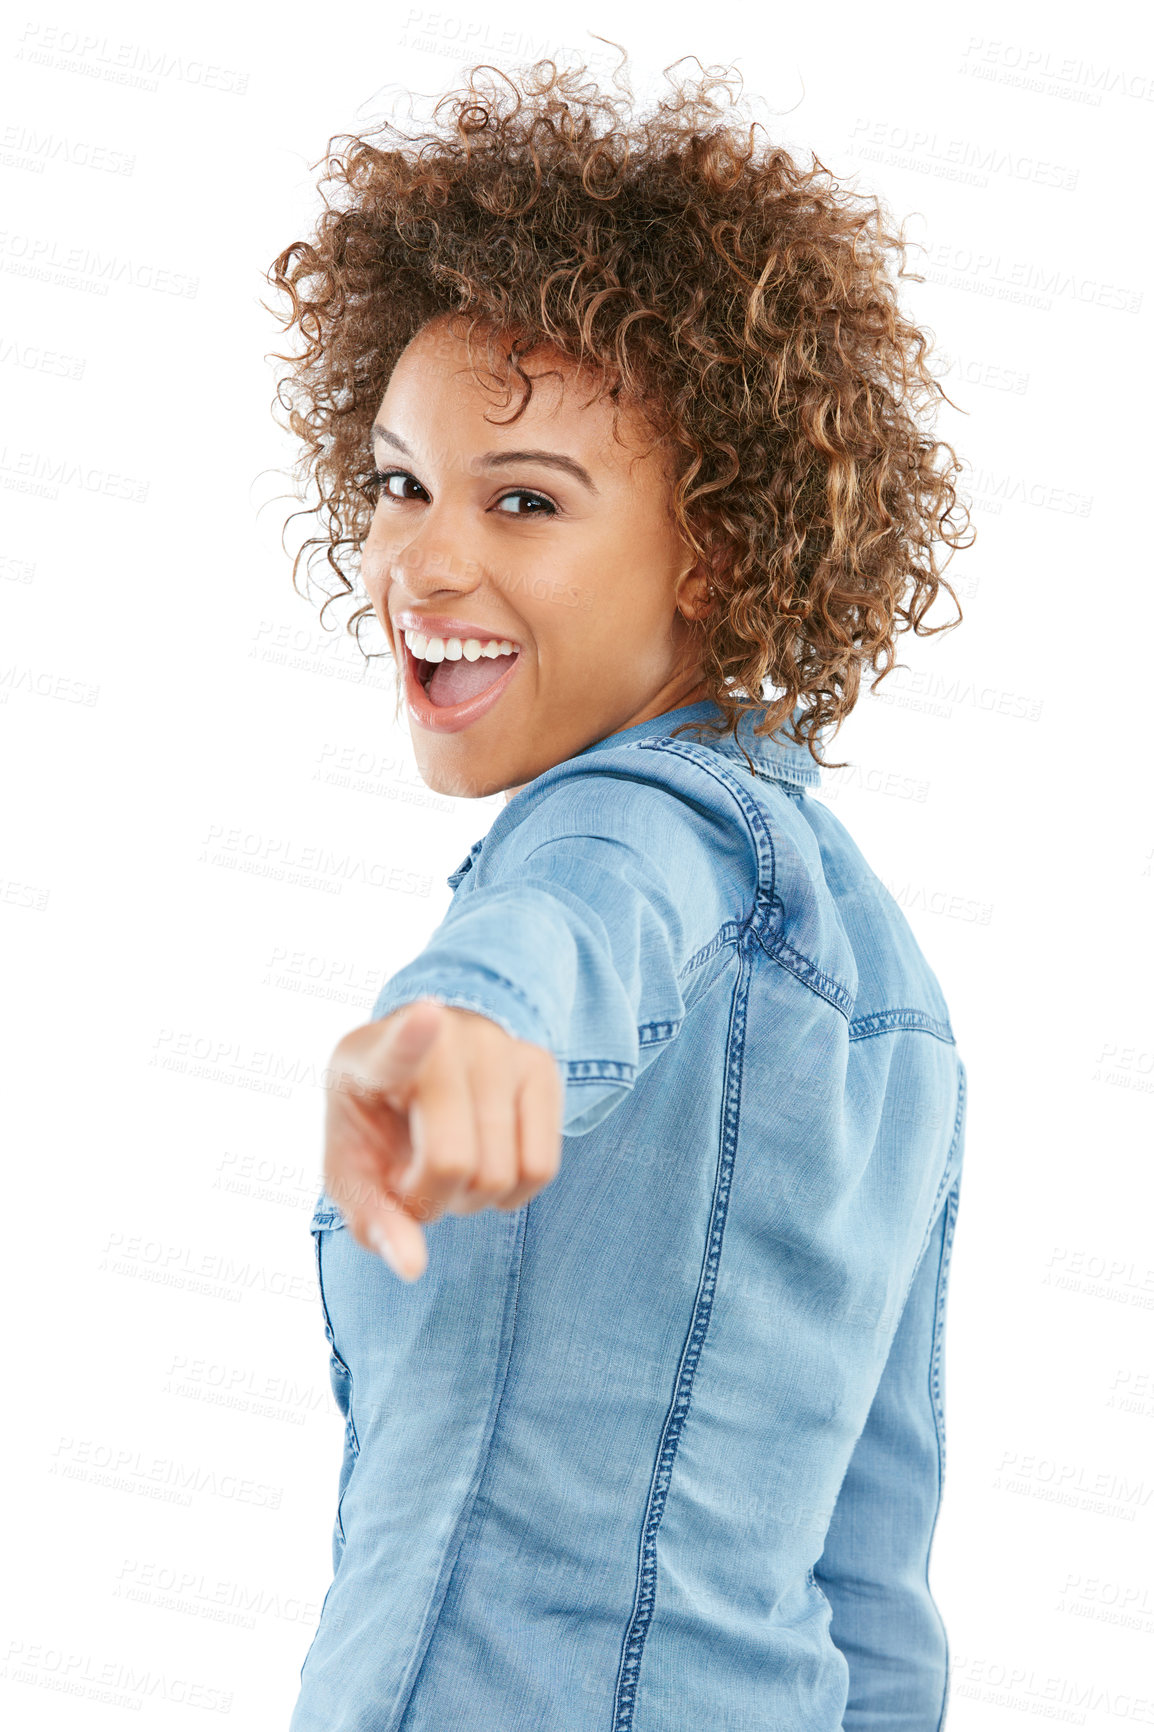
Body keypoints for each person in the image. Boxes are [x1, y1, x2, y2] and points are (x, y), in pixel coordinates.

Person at [269, 50, 973, 1732]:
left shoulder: (634, 827)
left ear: (715, 545)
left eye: (523, 501)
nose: (421, 563)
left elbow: (572, 931)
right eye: (397, 483)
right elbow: (873, 1576)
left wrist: (470, 1025)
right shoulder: (894, 996)